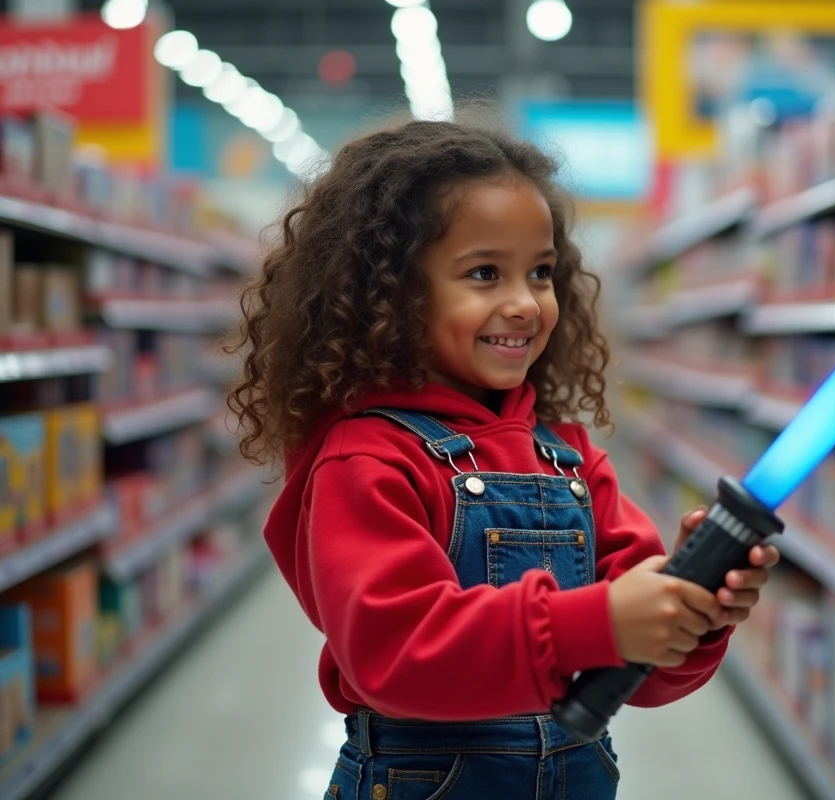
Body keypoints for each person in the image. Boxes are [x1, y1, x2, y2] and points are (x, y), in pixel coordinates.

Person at [226, 119, 781, 800]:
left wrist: (690, 610)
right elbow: (393, 651)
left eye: (541, 273)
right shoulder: (367, 457)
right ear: (388, 293)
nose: (524, 303)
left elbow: (641, 678)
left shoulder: (568, 457)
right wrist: (595, 622)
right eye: (484, 273)